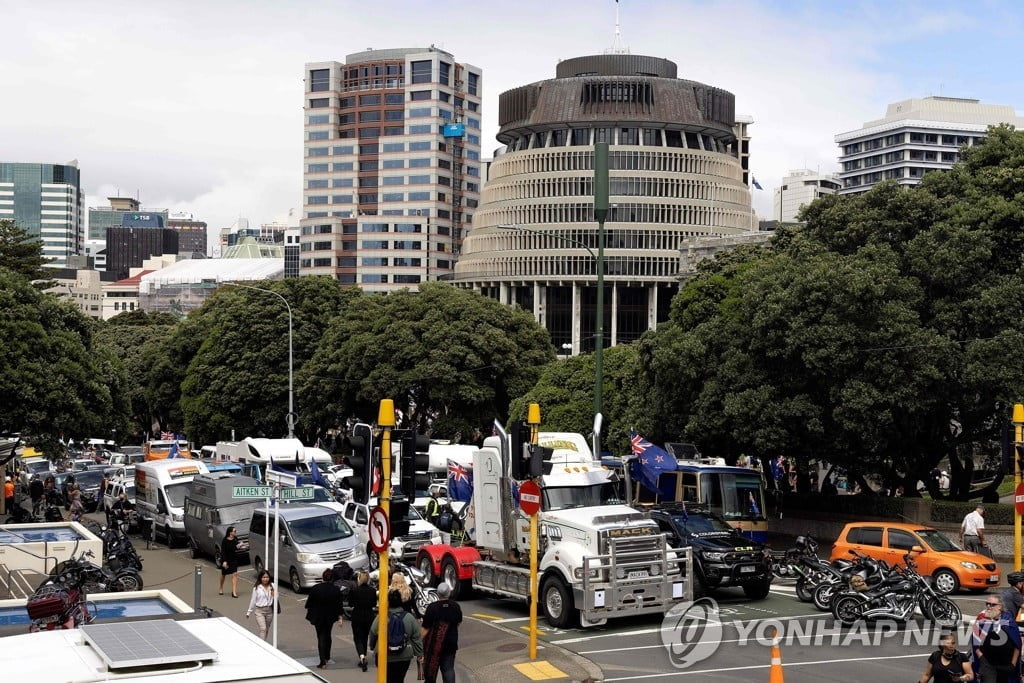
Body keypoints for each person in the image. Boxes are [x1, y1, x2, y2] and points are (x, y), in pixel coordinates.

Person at [369, 589, 424, 683]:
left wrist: (373, 646)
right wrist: (419, 653)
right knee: (399, 679)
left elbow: (373, 633)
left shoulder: (381, 617)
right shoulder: (409, 618)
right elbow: (416, 638)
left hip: (384, 654)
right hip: (404, 655)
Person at [972, 597, 1022, 683]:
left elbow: (1017, 643)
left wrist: (1013, 664)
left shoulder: (1008, 620)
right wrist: (981, 657)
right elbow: (975, 641)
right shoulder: (981, 618)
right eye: (987, 604)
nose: (989, 607)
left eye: (992, 605)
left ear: (1000, 606)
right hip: (988, 663)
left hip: (1006, 663)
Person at [421, 582, 462, 683]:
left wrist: (418, 642)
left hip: (434, 646)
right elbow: (458, 622)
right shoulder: (455, 606)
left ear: (438, 593)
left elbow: (425, 628)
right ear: (449, 593)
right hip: (450, 643)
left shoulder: (432, 607)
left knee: (430, 672)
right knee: (448, 669)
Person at [305, 568, 345, 669]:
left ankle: (322, 660)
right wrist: (340, 617)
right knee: (328, 634)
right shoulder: (336, 589)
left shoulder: (315, 588)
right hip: (330, 616)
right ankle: (327, 656)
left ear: (322, 577)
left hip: (318, 616)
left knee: (320, 636)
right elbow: (339, 604)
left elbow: (309, 603)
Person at [348, 571, 376, 672]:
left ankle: (362, 656)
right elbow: (373, 603)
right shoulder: (372, 590)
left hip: (357, 615)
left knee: (357, 637)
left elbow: (350, 603)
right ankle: (364, 654)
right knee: (365, 636)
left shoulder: (354, 590)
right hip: (369, 616)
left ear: (359, 579)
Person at [245, 569, 276, 642]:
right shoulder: (257, 588)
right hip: (259, 611)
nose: (265, 579)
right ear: (260, 578)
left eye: (267, 577)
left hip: (269, 611)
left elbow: (276, 599)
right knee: (263, 628)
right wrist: (249, 612)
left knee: (267, 629)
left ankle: (263, 642)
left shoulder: (273, 586)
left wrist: (274, 594)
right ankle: (262, 645)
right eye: (264, 577)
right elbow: (253, 600)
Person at [218, 526, 239, 597]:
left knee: (235, 574)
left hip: (234, 559)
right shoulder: (225, 540)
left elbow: (236, 547)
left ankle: (234, 592)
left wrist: (241, 546)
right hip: (226, 560)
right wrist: (224, 561)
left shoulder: (235, 539)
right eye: (234, 531)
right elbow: (223, 551)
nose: (236, 532)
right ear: (230, 532)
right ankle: (221, 587)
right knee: (223, 575)